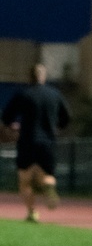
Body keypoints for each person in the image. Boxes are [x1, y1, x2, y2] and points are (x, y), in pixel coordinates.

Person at [1, 63, 71, 223]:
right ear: (44, 76)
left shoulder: (23, 94)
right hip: (48, 141)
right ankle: (49, 186)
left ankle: (32, 212)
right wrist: (57, 128)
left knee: (25, 180)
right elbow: (67, 117)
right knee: (48, 175)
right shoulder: (55, 94)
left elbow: (6, 118)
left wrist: (14, 125)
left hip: (27, 140)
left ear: (30, 77)